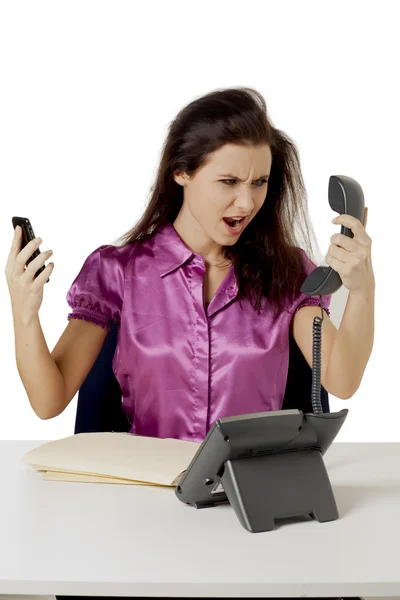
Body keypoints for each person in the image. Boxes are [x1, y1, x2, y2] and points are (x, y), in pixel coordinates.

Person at [5, 86, 374, 600]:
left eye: (260, 182)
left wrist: (362, 289)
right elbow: (48, 401)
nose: (246, 202)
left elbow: (342, 377)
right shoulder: (118, 271)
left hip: (254, 516)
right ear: (181, 172)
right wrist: (25, 316)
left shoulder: (288, 272)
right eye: (228, 181)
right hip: (146, 516)